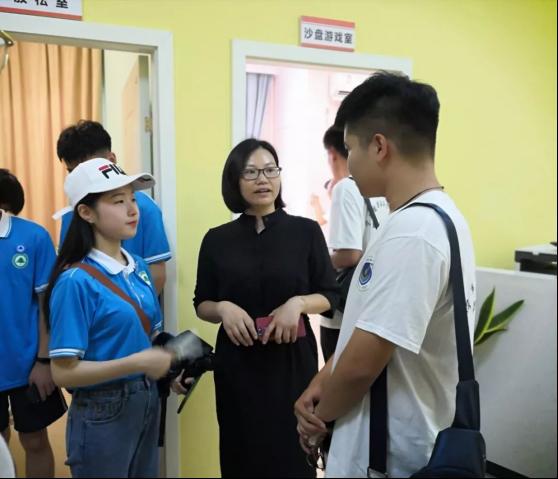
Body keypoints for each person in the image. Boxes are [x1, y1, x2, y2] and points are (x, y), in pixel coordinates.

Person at [295, 72, 477, 477]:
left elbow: (363, 365)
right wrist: (323, 379)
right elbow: (373, 329)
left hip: (388, 457)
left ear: (379, 146)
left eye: (350, 148)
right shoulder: (439, 218)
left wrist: (316, 421)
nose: (348, 164)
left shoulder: (413, 233)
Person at [194, 139, 340, 478]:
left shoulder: (305, 232)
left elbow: (331, 295)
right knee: (241, 453)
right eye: (251, 172)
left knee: (292, 454)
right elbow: (202, 303)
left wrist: (298, 303)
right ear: (234, 180)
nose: (263, 179)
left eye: (270, 170)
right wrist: (224, 309)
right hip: (237, 364)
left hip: (292, 363)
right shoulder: (216, 239)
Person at [44, 158, 174, 478]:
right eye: (118, 201)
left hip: (146, 400)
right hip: (101, 412)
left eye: (133, 199)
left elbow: (148, 338)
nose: (132, 210)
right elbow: (63, 372)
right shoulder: (75, 282)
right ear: (86, 213)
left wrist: (171, 367)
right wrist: (137, 363)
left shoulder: (138, 266)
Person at [0, 169, 66, 478]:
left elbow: (46, 305)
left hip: (27, 364)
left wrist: (44, 361)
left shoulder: (33, 237)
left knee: (35, 440)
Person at [55, 120, 171, 294]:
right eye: (72, 171)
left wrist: (131, 305)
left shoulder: (145, 208)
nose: (80, 178)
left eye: (88, 168)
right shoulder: (71, 213)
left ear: (111, 160)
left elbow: (156, 272)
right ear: (85, 213)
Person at [319, 126, 389, 361]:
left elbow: (350, 255)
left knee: (336, 377)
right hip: (375, 307)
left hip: (344, 313)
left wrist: (318, 261)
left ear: (332, 153)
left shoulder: (346, 188)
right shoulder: (381, 189)